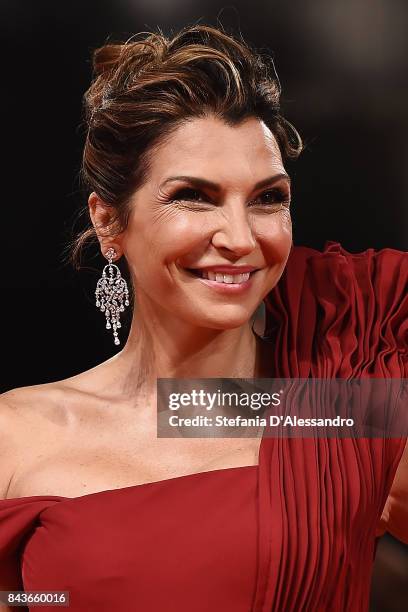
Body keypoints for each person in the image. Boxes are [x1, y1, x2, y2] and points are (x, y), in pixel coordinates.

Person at [0, 23, 406, 612]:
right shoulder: (18, 432)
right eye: (194, 196)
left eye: (269, 198)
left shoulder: (338, 407)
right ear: (110, 222)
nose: (241, 239)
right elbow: (29, 598)